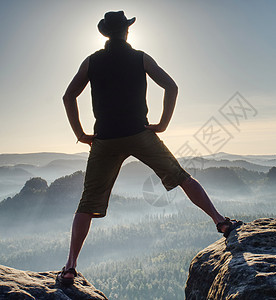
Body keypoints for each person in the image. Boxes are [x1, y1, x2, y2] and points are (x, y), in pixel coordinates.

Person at [58, 11, 241, 285]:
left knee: (87, 203)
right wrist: (163, 124)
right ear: (127, 32)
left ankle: (70, 266)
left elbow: (68, 95)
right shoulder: (140, 57)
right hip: (140, 133)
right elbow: (171, 86)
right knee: (182, 177)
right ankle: (220, 221)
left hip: (105, 139)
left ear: (106, 34)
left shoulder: (92, 61)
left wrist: (81, 134)